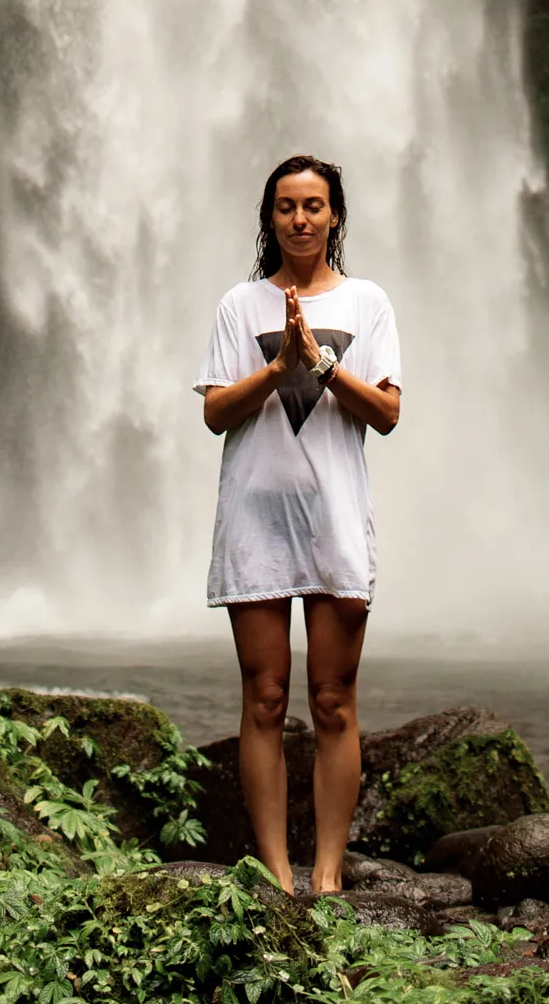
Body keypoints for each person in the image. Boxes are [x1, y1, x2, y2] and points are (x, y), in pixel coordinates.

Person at [193, 154, 402, 894]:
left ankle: (329, 875)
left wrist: (322, 363)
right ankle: (279, 874)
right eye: (286, 206)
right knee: (266, 698)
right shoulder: (238, 306)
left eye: (314, 205)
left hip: (335, 518)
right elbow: (216, 411)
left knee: (334, 700)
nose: (301, 218)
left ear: (336, 216)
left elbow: (387, 414)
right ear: (270, 217)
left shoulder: (368, 304)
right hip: (255, 518)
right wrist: (278, 366)